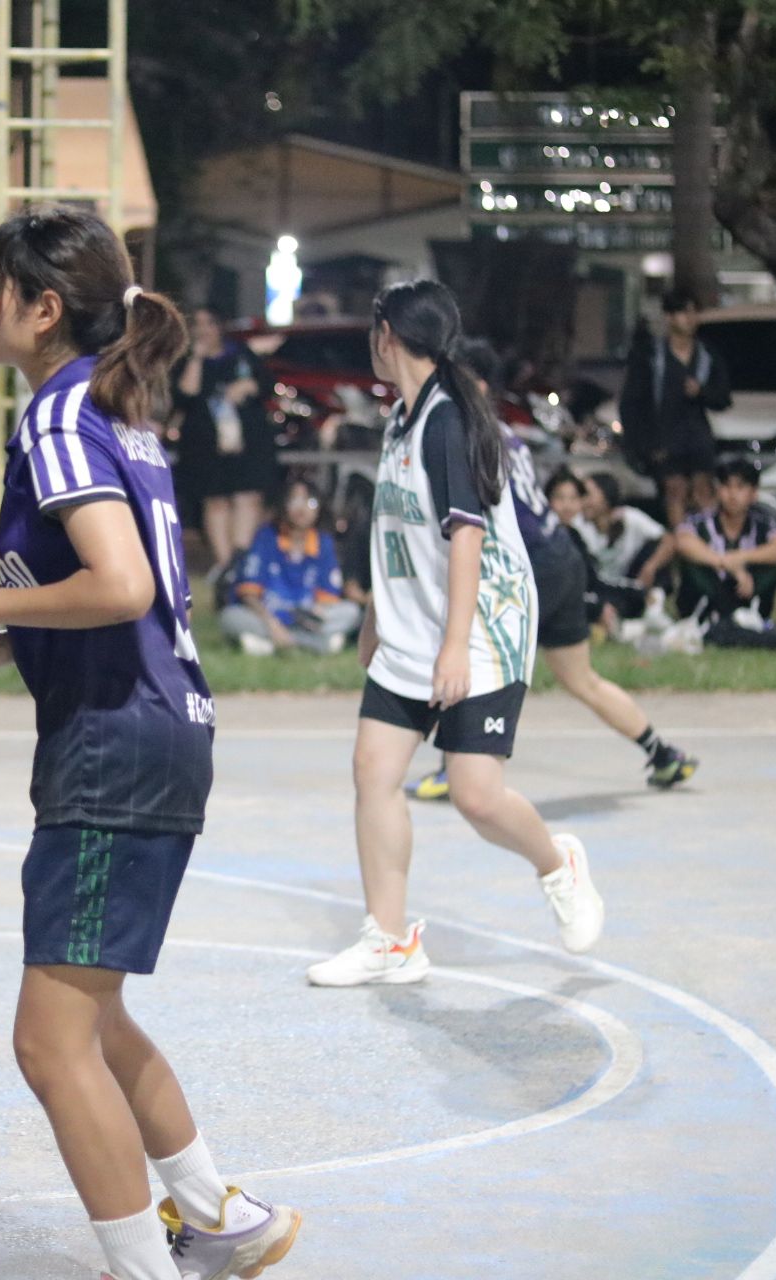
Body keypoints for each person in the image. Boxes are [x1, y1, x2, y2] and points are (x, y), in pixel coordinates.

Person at [0, 206, 300, 1280]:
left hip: (116, 746)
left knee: (48, 1043)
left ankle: (145, 1266)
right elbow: (118, 603)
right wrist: (0, 637)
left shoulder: (59, 415)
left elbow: (124, 584)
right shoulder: (114, 414)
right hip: (158, 730)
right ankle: (219, 1216)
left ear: (44, 308)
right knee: (93, 1017)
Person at [308, 280, 605, 994]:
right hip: (414, 628)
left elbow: (465, 538)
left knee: (476, 795)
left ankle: (558, 864)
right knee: (373, 772)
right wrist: (378, 621)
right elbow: (394, 532)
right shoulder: (401, 421)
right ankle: (391, 941)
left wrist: (453, 646)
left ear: (388, 337)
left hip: (482, 630)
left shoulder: (447, 422)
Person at [405, 339, 695, 805]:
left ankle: (450, 768)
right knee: (580, 678)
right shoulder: (505, 432)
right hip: (561, 556)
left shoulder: (468, 434)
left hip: (528, 564)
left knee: (469, 652)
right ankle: (662, 753)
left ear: (478, 385)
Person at [171, 308, 279, 578]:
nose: (203, 330)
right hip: (207, 446)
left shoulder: (241, 355)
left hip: (247, 444)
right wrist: (197, 358)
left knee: (247, 497)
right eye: (197, 324)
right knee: (215, 501)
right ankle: (226, 568)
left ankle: (240, 563)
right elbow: (185, 395)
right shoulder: (186, 360)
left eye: (209, 324)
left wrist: (248, 386)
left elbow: (267, 384)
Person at [619, 288, 732, 530]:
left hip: (698, 437)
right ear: (669, 317)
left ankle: (709, 543)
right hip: (665, 438)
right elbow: (631, 402)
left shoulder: (706, 355)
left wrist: (702, 392)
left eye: (694, 312)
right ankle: (682, 543)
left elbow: (723, 397)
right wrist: (644, 444)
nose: (690, 319)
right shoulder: (650, 356)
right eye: (683, 312)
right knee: (675, 490)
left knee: (703, 490)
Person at [220, 478, 362, 656]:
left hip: (306, 619)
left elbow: (328, 596)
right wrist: (273, 625)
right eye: (294, 501)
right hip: (269, 615)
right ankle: (315, 644)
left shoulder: (323, 542)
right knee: (230, 617)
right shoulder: (266, 537)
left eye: (310, 502)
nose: (302, 509)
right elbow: (249, 594)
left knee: (351, 612)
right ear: (283, 505)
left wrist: (315, 613)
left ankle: (269, 646)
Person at [674, 457, 776, 634]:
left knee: (773, 562)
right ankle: (707, 617)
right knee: (694, 561)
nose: (732, 494)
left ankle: (751, 616)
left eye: (740, 487)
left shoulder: (763, 524)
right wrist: (726, 563)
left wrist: (741, 557)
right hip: (711, 591)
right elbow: (682, 542)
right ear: (718, 490)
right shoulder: (700, 522)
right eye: (726, 486)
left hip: (745, 592)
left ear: (753, 493)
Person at [575, 471, 675, 628]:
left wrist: (651, 566)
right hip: (600, 588)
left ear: (605, 496)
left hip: (632, 582)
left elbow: (669, 540)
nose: (583, 501)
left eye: (587, 495)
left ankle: (654, 610)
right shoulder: (577, 526)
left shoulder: (629, 517)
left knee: (656, 548)